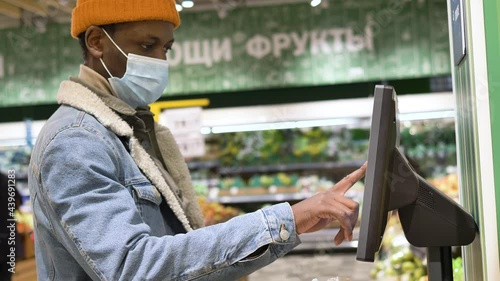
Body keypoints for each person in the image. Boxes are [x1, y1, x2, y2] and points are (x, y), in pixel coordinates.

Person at [28, 0, 367, 280]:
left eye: (166, 48)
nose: (160, 60)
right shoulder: (76, 141)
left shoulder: (131, 129)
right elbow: (132, 266)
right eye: (147, 46)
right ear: (96, 42)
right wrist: (285, 221)